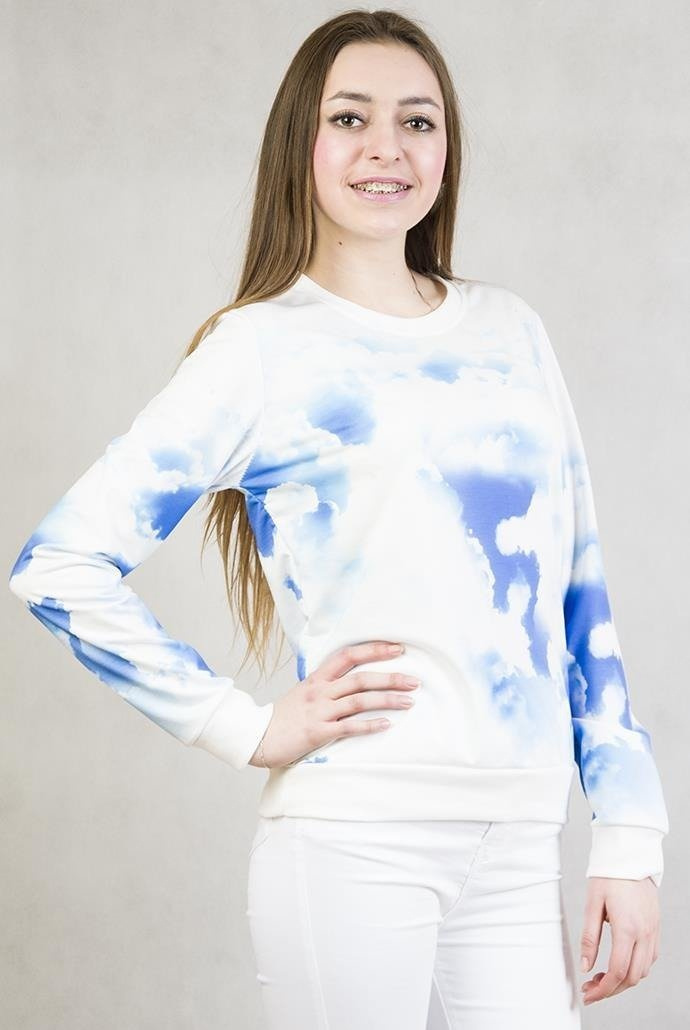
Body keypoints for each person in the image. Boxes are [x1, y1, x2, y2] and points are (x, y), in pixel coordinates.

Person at [8, 8, 669, 1029]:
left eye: (418, 121)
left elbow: (579, 591)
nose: (386, 148)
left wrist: (628, 831)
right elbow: (59, 566)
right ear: (301, 145)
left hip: (519, 839)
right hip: (356, 838)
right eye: (350, 118)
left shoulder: (511, 332)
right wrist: (246, 726)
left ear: (447, 149)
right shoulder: (258, 351)